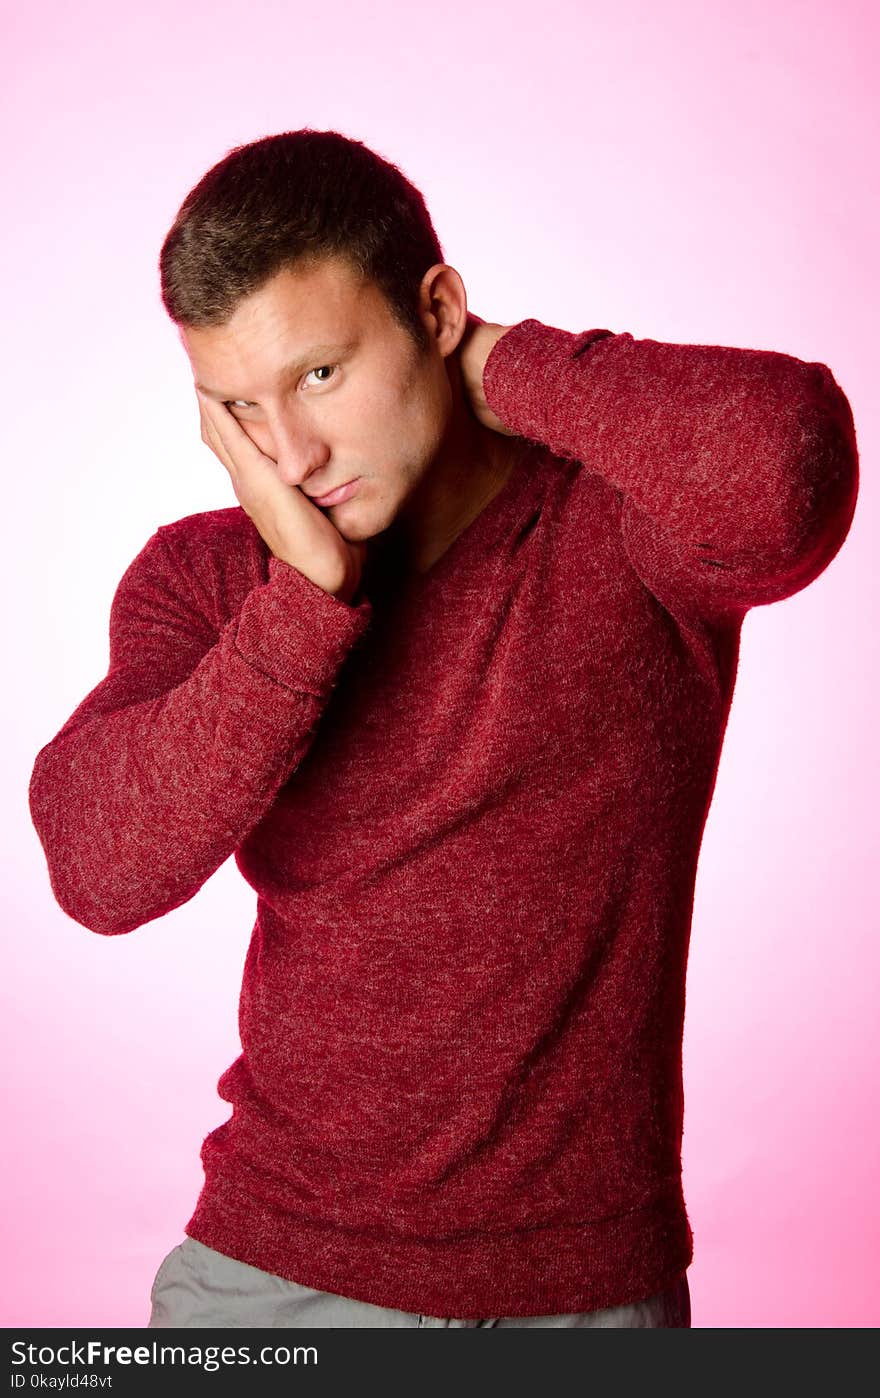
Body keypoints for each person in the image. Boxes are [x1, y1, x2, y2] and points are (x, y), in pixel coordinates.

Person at [28, 129, 858, 1330]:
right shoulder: (206, 581)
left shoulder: (620, 532)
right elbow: (99, 869)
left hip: (583, 1295)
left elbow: (785, 465)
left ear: (435, 308)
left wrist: (506, 368)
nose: (291, 454)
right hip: (271, 1283)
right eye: (239, 408)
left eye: (319, 375)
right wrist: (305, 606)